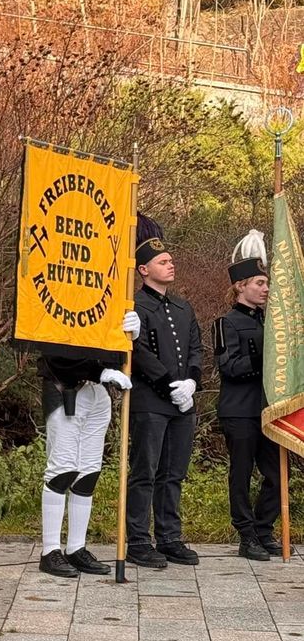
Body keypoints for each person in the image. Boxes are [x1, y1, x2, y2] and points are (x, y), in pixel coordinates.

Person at [36, 304, 140, 578]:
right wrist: (98, 372)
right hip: (66, 389)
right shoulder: (60, 303)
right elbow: (55, 352)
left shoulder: (103, 303)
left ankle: (76, 547)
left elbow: (109, 347)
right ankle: (50, 550)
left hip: (98, 395)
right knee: (62, 471)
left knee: (88, 473)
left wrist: (129, 337)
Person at [126, 216, 203, 568]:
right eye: (162, 261)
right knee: (145, 472)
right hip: (150, 402)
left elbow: (195, 349)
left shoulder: (183, 308)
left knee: (174, 473)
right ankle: (139, 541)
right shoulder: (135, 308)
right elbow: (138, 352)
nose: (171, 264)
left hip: (182, 404)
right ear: (143, 269)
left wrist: (191, 381)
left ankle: (169, 536)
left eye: (170, 260)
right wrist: (167, 384)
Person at [215, 229, 282, 562]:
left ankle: (264, 529)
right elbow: (229, 367)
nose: (266, 288)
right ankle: (246, 535)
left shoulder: (274, 324)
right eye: (259, 282)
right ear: (241, 286)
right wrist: (263, 358)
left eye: (267, 283)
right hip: (239, 410)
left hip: (269, 410)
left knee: (276, 473)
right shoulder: (224, 323)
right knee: (241, 474)